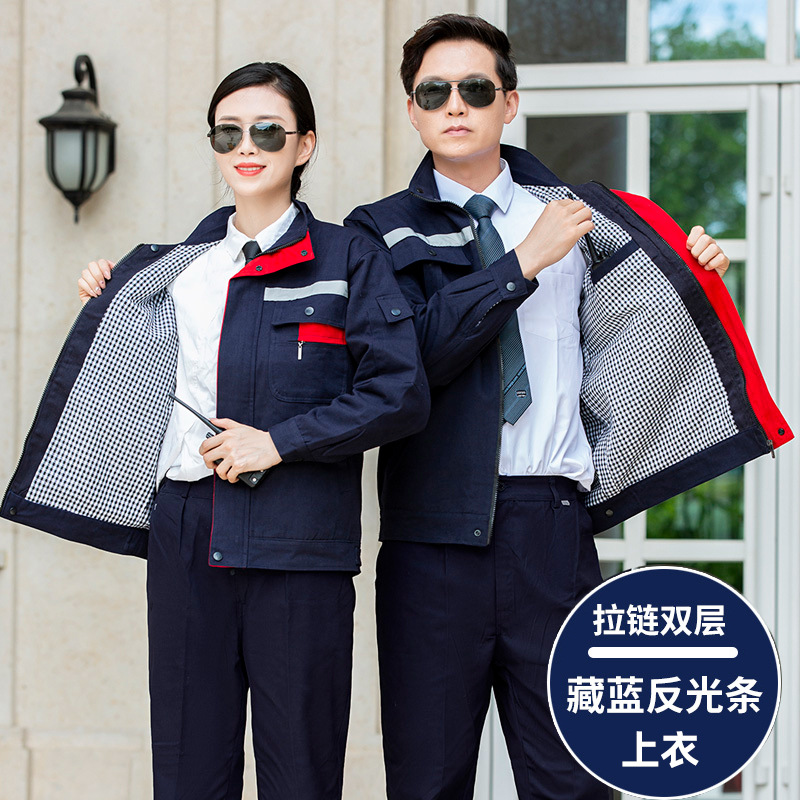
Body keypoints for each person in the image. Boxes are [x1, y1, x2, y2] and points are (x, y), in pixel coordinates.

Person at [343, 13, 792, 800]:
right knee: (426, 781)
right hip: (430, 539)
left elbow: (640, 332)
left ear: (509, 102)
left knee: (575, 781)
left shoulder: (583, 219)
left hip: (549, 530)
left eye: (475, 88)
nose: (455, 104)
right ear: (412, 110)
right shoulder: (377, 233)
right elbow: (406, 365)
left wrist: (695, 270)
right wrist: (519, 263)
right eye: (434, 91)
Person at [1, 62, 429, 799]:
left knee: (301, 773)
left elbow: (399, 394)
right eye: (228, 132)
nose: (246, 146)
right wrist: (112, 292)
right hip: (187, 529)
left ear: (305, 145)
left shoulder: (348, 258)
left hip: (297, 540)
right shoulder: (172, 269)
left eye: (268, 130)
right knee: (188, 770)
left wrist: (279, 441)